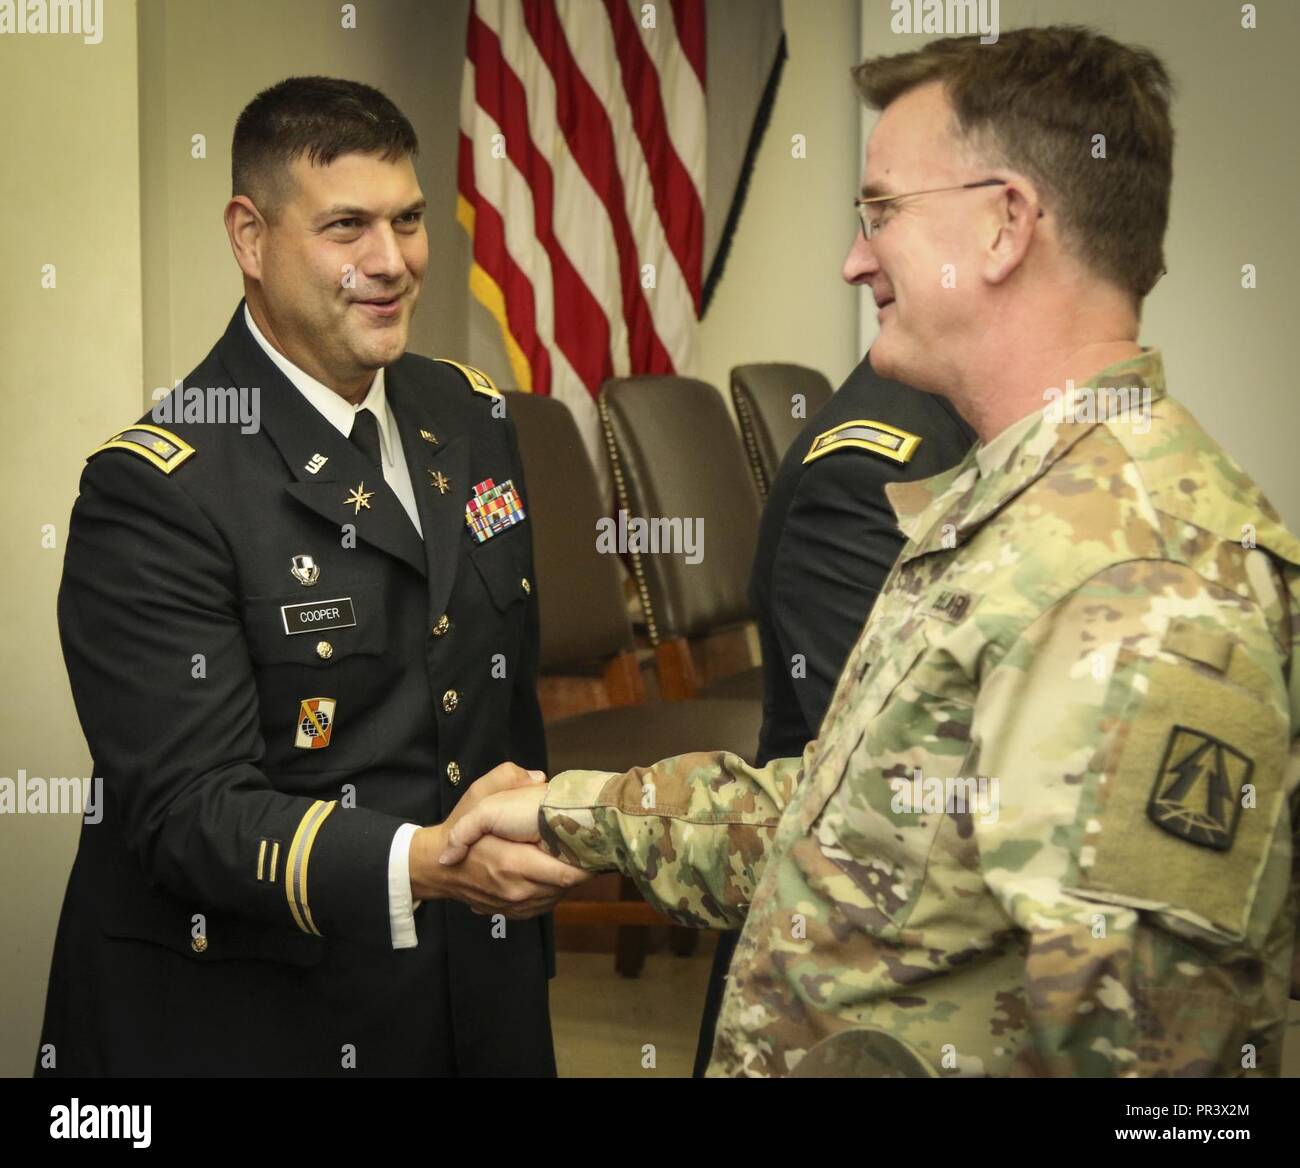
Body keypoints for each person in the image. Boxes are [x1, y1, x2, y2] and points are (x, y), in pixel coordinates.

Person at [443, 26, 1300, 1077]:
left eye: (882, 211)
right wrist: (568, 812)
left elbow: (1157, 1077)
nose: (855, 256)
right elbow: (848, 831)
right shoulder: (1024, 511)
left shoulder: (1138, 580)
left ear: (1003, 226)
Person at [36, 75, 588, 1078]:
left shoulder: (468, 414)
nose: (392, 263)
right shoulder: (158, 488)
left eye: (409, 219)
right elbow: (189, 814)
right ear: (250, 237)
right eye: (346, 226)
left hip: (477, 984)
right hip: (268, 1006)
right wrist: (430, 865)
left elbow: (493, 709)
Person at [693, 355, 974, 1075]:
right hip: (848, 988)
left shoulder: (990, 429)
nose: (855, 263)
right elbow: (882, 799)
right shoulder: (872, 469)